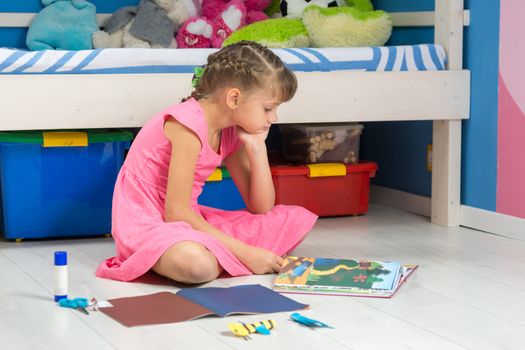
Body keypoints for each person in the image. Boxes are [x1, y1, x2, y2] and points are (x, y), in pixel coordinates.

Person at [96, 41, 318, 284]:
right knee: (198, 266)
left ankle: (217, 253)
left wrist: (257, 147)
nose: (273, 118)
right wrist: (246, 253)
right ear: (234, 98)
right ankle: (209, 255)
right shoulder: (188, 125)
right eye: (268, 108)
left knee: (295, 219)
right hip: (148, 220)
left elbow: (262, 208)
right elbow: (176, 212)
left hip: (189, 219)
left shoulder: (230, 130)